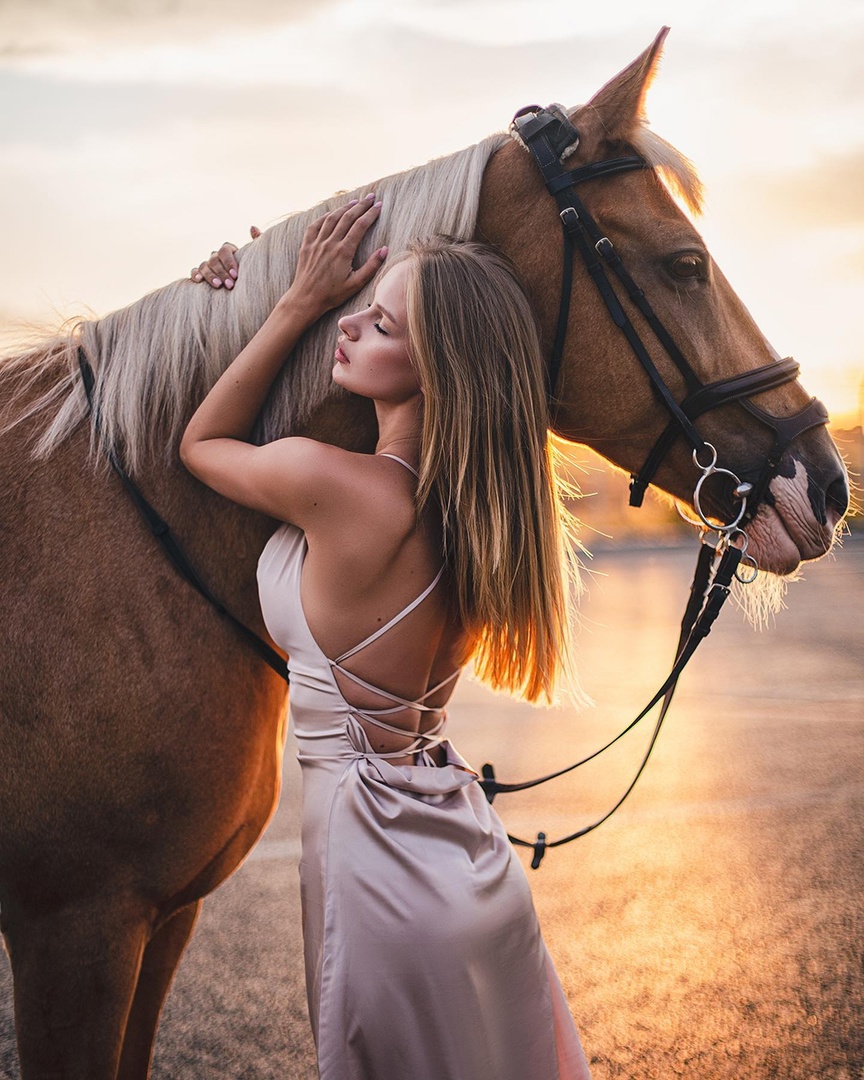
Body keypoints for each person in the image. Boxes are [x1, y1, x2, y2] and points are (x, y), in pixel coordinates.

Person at [181, 195, 591, 1079]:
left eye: (381, 326)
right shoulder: (488, 520)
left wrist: (288, 303)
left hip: (374, 871)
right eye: (356, 314)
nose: (351, 329)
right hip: (466, 856)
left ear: (434, 366)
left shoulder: (327, 483)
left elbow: (201, 442)